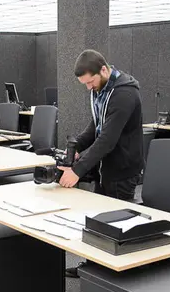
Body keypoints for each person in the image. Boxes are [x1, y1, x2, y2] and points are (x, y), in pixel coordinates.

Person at [57, 49, 144, 277]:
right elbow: (96, 126)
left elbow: (107, 139)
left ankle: (115, 276)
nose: (88, 87)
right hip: (105, 168)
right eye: (84, 83)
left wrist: (77, 171)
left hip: (122, 169)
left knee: (117, 224)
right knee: (97, 220)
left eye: (90, 81)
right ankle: (94, 267)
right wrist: (77, 148)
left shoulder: (124, 95)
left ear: (104, 70)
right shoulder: (101, 90)